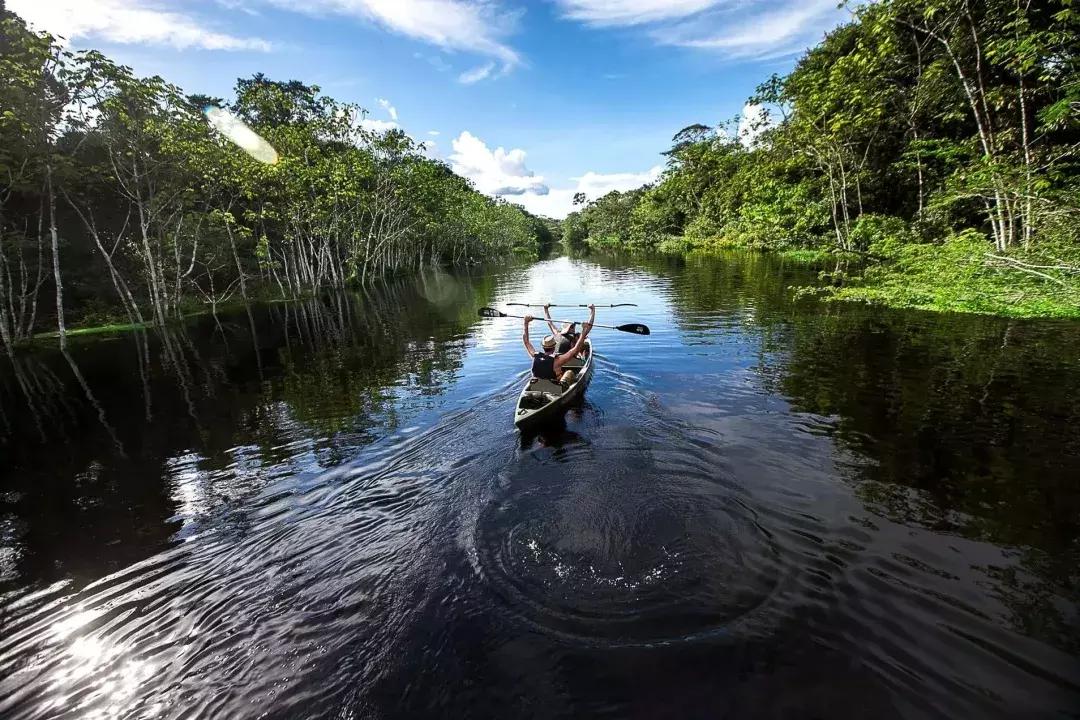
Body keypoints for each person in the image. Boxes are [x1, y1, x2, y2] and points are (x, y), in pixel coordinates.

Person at [523, 304, 595, 384]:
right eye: (573, 326)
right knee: (569, 372)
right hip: (556, 383)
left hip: (538, 384)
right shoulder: (559, 360)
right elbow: (575, 349)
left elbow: (526, 341)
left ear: (543, 347)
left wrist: (526, 323)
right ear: (554, 346)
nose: (574, 328)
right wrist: (592, 312)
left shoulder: (535, 355)